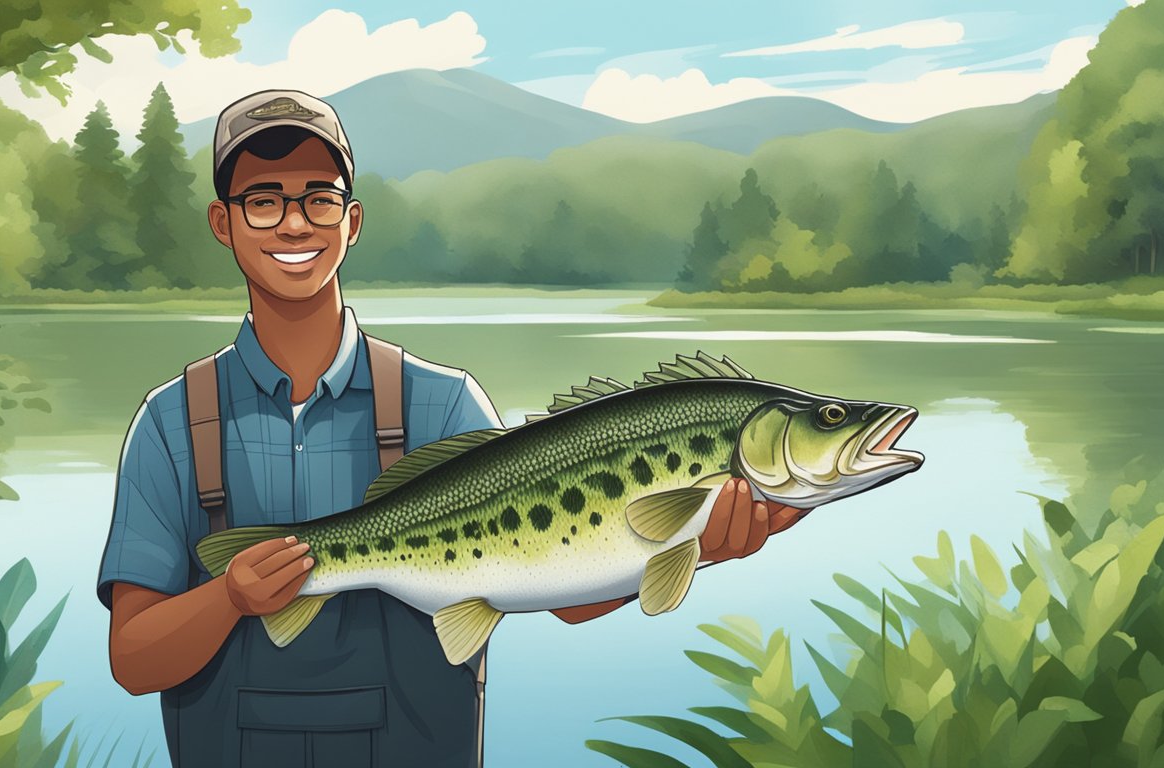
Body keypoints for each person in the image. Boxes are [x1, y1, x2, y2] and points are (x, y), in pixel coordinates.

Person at [96, 89, 810, 768]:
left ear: (352, 221)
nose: (294, 223)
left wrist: (696, 545)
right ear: (223, 223)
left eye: (319, 198)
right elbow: (133, 660)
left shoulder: (443, 404)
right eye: (263, 201)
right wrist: (229, 597)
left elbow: (559, 594)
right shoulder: (172, 421)